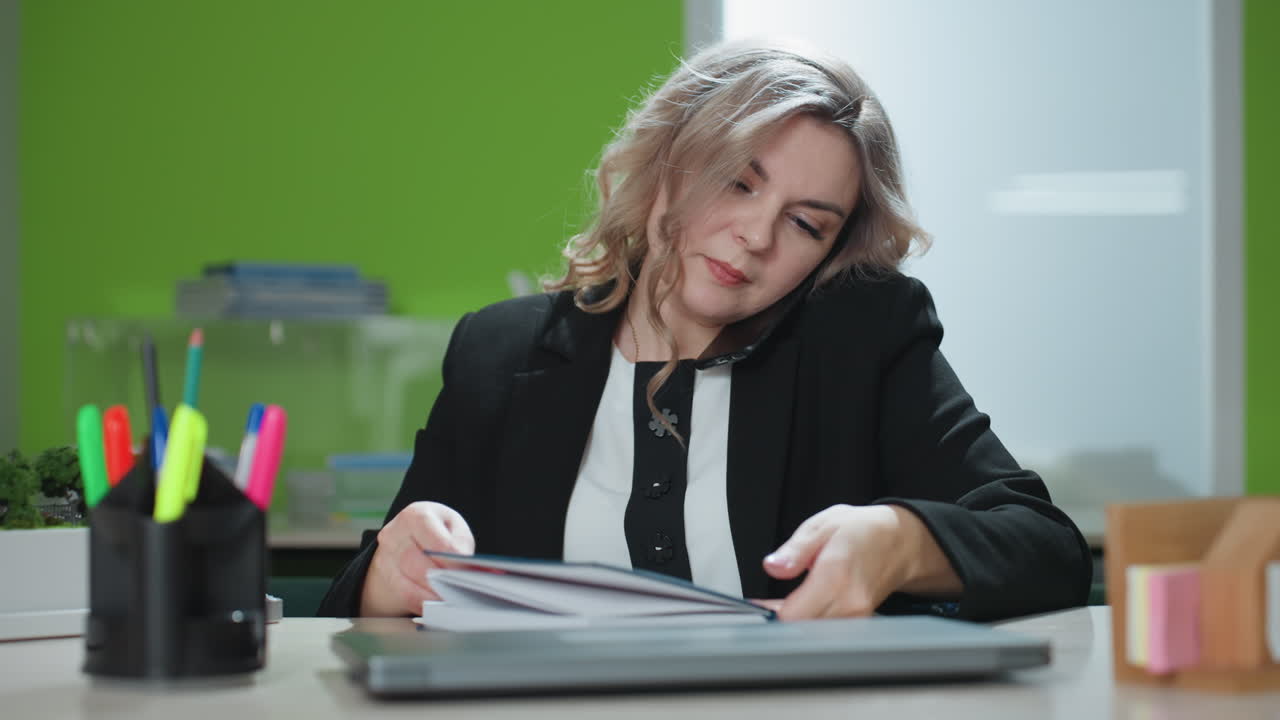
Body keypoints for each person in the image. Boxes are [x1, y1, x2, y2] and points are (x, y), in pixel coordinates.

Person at [318, 41, 1091, 622]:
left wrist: (899, 540)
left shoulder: (865, 338)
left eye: (805, 224)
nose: (756, 237)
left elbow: (1045, 549)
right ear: (668, 163)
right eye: (737, 180)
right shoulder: (501, 352)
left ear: (831, 251)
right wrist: (389, 577)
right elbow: (358, 597)